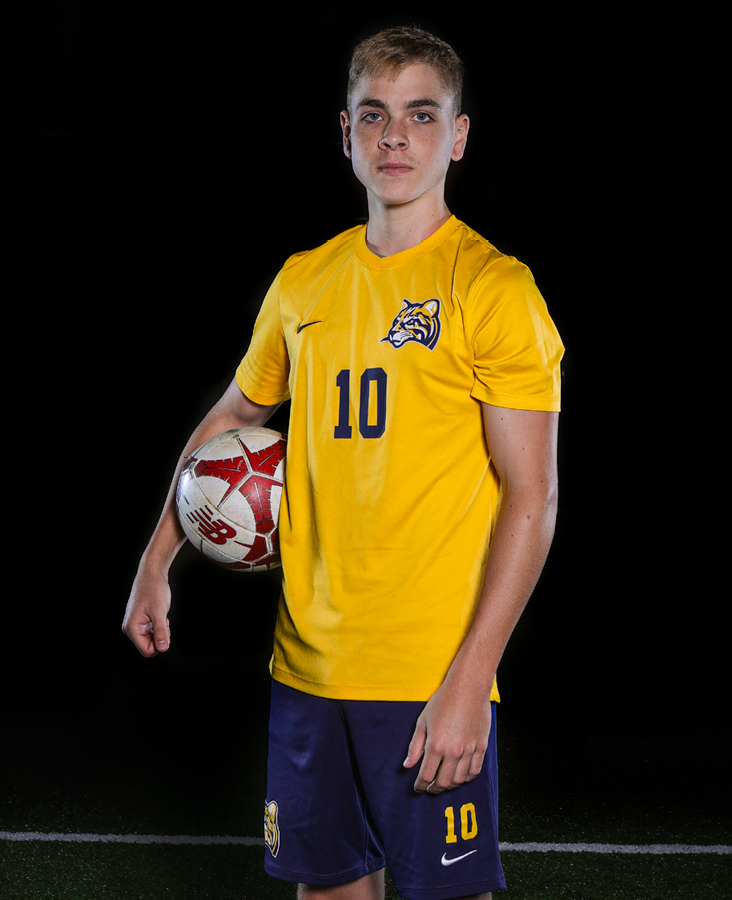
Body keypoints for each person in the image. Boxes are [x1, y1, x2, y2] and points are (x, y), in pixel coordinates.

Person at [123, 25, 563, 900]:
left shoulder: (493, 288)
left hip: (430, 673)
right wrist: (155, 559)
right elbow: (236, 414)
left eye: (421, 113)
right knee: (325, 893)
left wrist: (472, 680)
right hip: (308, 670)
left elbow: (532, 494)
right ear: (347, 133)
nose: (395, 135)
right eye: (375, 114)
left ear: (460, 136)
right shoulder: (304, 281)